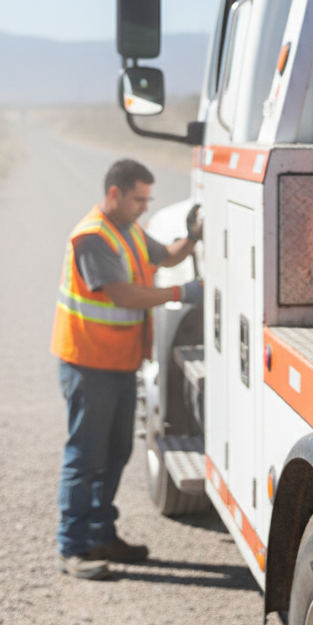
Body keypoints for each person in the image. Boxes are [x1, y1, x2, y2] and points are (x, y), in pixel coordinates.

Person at [50, 158, 203, 579]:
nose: (144, 207)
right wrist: (181, 292)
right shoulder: (92, 238)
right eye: (139, 199)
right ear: (114, 194)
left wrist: (191, 239)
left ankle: (101, 535)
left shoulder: (129, 230)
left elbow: (167, 256)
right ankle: (73, 547)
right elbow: (122, 296)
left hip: (118, 364)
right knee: (85, 456)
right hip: (88, 364)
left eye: (148, 199)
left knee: (115, 453)